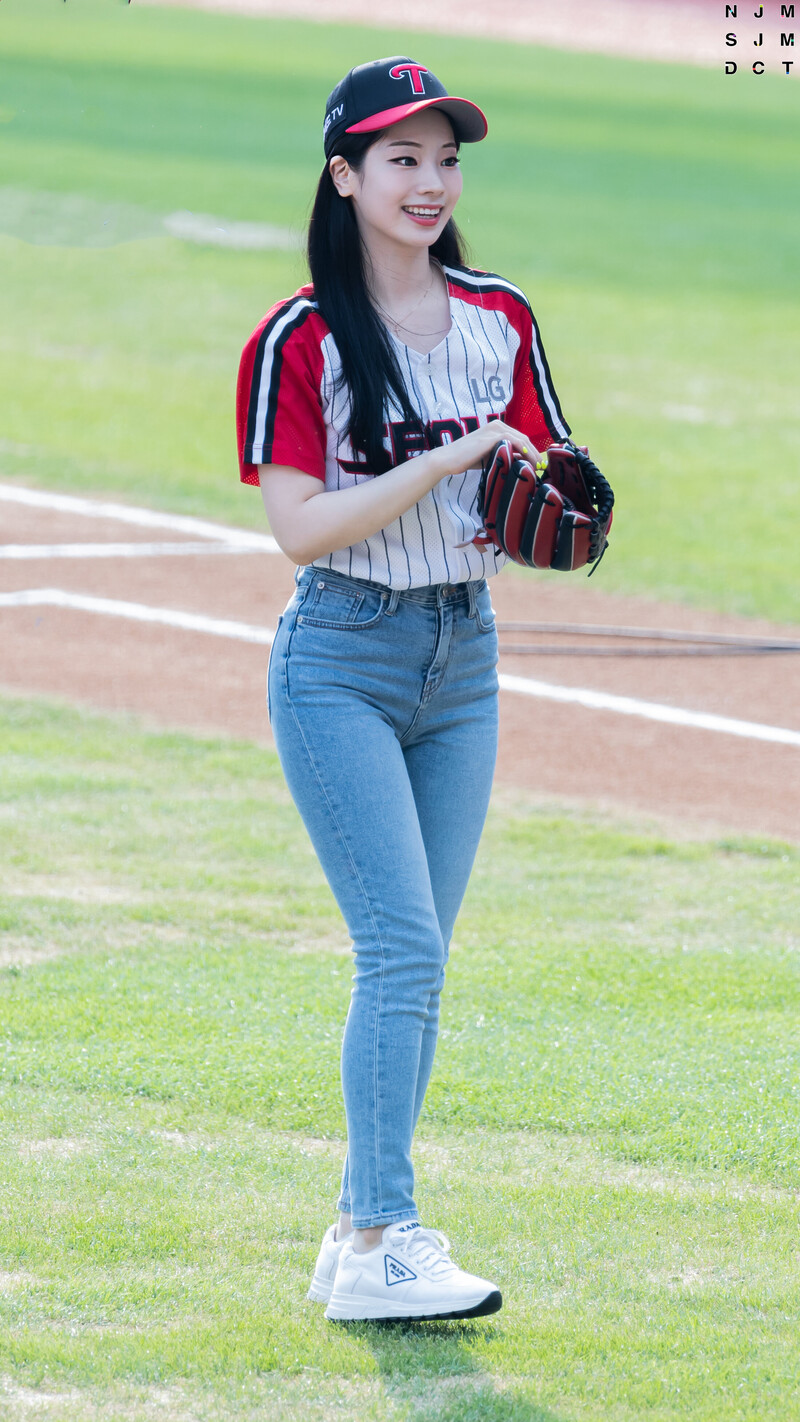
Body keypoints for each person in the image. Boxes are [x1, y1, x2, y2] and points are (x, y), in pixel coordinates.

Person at [236, 55, 572, 1323]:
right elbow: (299, 528)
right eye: (400, 159)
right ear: (343, 176)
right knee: (402, 946)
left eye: (444, 159)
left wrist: (553, 498)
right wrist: (447, 463)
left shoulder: (499, 314)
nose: (429, 182)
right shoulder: (302, 335)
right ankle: (384, 1235)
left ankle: (353, 1232)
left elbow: (530, 462)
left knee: (419, 962)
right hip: (340, 658)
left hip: (463, 661)